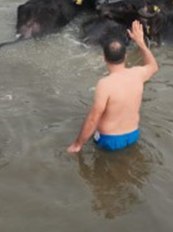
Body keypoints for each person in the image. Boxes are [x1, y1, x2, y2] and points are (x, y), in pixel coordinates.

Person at [67, 21, 159, 153]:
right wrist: (141, 42)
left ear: (104, 58)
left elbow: (93, 118)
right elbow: (154, 67)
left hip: (109, 140)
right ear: (125, 56)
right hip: (133, 134)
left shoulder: (105, 84)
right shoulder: (137, 74)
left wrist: (77, 144)